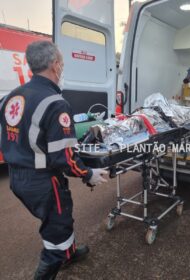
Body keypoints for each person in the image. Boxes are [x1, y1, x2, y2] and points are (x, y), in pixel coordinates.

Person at [0, 41, 108, 279]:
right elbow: (64, 159)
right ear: (55, 65)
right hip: (43, 182)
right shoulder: (55, 103)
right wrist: (88, 174)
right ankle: (58, 258)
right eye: (62, 63)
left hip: (18, 177)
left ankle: (68, 254)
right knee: (58, 229)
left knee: (54, 221)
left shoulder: (12, 97)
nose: (62, 68)